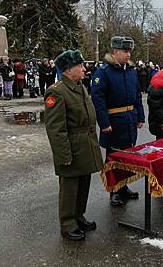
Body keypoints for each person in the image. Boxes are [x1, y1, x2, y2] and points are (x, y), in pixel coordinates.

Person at [44, 50, 103, 241]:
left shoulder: (80, 87)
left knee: (83, 184)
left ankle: (78, 216)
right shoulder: (57, 91)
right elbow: (55, 129)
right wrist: (64, 155)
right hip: (71, 147)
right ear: (69, 70)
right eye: (80, 66)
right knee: (69, 188)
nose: (84, 69)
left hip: (85, 146)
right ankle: (68, 223)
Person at [91, 36, 145, 207]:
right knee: (114, 157)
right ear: (115, 52)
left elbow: (137, 95)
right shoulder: (104, 72)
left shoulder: (130, 70)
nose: (128, 55)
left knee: (127, 155)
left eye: (129, 51)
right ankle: (114, 190)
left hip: (129, 119)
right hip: (114, 121)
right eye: (125, 51)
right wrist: (104, 123)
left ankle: (123, 186)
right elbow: (98, 99)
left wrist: (140, 116)